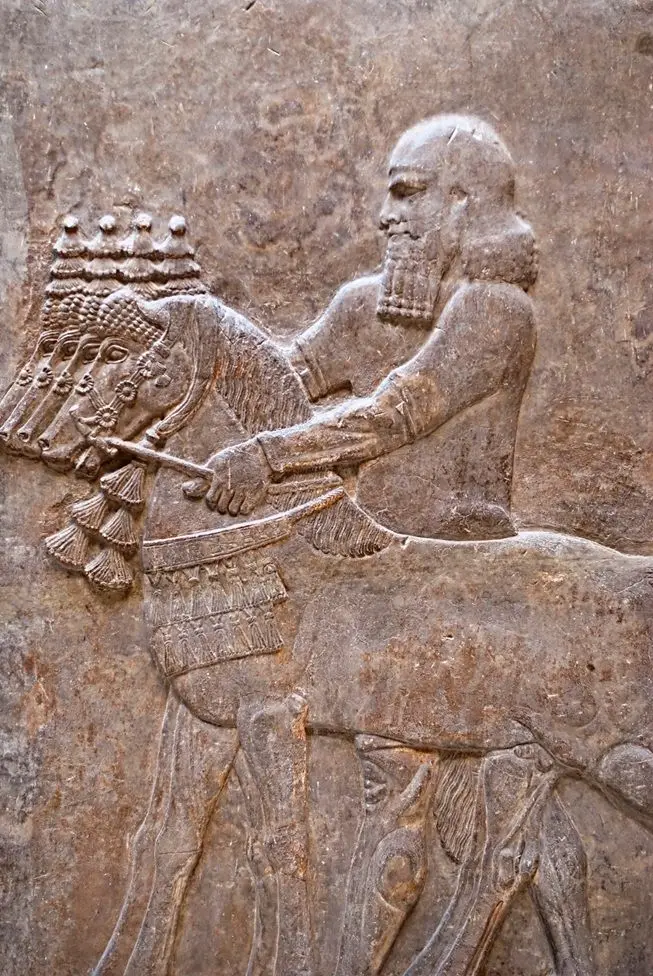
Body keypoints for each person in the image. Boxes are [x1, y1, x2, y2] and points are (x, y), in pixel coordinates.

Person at [184, 113, 537, 541]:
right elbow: (272, 382)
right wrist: (179, 388)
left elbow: (392, 416)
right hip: (359, 538)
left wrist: (267, 456)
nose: (386, 215)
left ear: (462, 201)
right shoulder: (360, 305)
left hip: (452, 551)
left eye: (407, 194)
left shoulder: (497, 309)